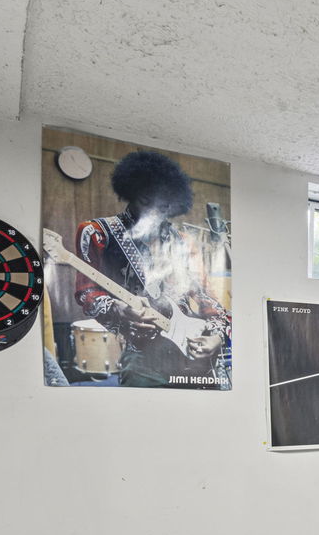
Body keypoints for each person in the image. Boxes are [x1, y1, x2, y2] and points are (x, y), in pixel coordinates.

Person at [73, 150, 231, 388]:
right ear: (132, 192)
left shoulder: (185, 242)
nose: (155, 211)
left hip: (194, 355)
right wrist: (118, 308)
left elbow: (209, 301)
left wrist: (217, 338)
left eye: (165, 205)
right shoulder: (97, 233)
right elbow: (86, 293)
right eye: (147, 200)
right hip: (143, 359)